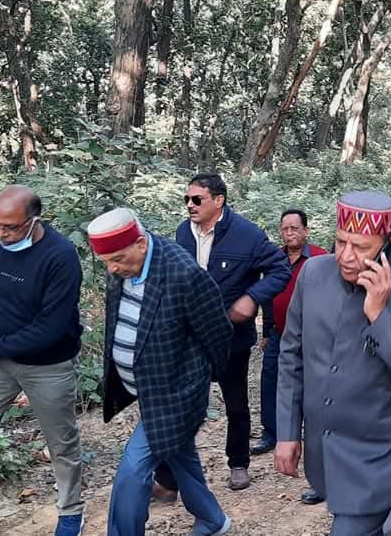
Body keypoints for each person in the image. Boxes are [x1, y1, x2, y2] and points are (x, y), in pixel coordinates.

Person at [275, 191, 391, 536]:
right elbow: (292, 356)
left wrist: (380, 316)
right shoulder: (313, 274)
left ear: (387, 242)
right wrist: (288, 431)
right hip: (325, 450)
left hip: (381, 458)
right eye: (341, 242)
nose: (346, 256)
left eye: (361, 247)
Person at [87, 208, 233, 536]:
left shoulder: (183, 274)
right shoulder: (122, 264)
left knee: (132, 471)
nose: (112, 268)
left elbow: (219, 334)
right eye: (107, 261)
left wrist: (195, 382)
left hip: (176, 393)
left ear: (141, 244)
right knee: (178, 452)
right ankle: (213, 519)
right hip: (146, 388)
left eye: (117, 259)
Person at [0, 186, 85, 536]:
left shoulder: (61, 256)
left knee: (61, 442)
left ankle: (71, 509)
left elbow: (51, 328)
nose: (2, 233)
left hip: (47, 364)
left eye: (10, 227)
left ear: (34, 220)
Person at [153, 173, 291, 497]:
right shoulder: (183, 233)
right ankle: (169, 479)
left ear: (218, 201)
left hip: (231, 337)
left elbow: (279, 269)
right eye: (186, 199)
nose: (190, 205)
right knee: (183, 405)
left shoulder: (247, 235)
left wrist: (251, 299)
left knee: (236, 404)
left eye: (196, 199)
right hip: (191, 337)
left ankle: (238, 463)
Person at [253, 210, 328, 458]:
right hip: (279, 332)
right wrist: (266, 330)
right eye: (285, 229)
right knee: (271, 380)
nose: (289, 233)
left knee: (313, 383)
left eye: (294, 228)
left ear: (306, 230)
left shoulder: (320, 258)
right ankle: (271, 433)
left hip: (313, 335)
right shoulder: (275, 258)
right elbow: (267, 294)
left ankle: (312, 431)